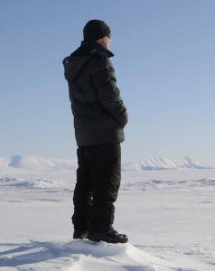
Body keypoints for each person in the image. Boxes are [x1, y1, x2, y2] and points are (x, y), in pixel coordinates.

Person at [62, 19, 128, 244]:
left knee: (86, 183)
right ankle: (100, 229)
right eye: (109, 37)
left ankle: (81, 228)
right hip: (105, 133)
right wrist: (122, 117)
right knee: (107, 182)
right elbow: (110, 95)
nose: (110, 41)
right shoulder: (99, 61)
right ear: (101, 38)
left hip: (84, 135)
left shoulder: (75, 63)